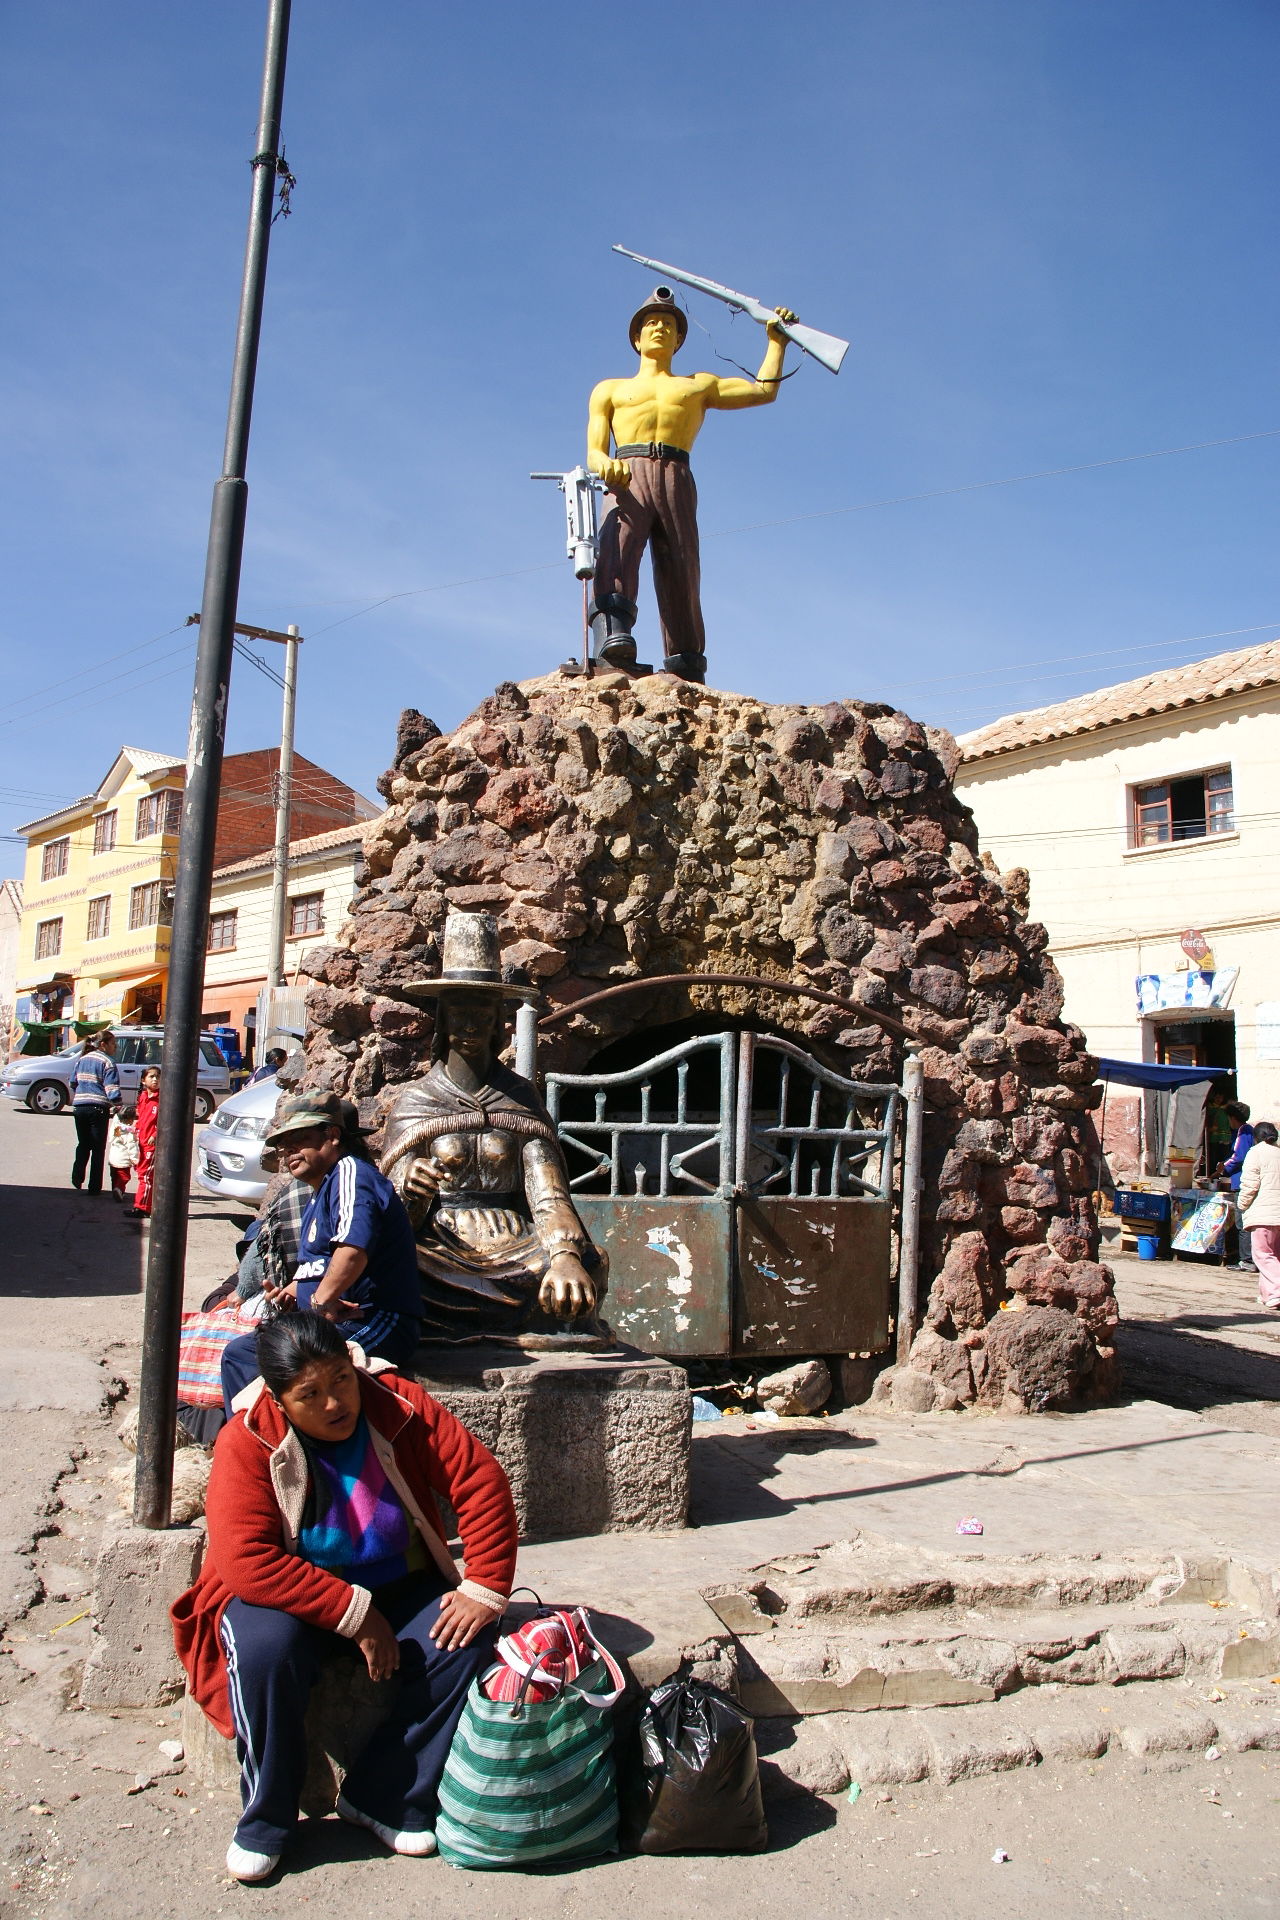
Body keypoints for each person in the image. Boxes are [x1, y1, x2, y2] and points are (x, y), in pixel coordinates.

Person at [172, 1312, 517, 1883]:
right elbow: (246, 1562)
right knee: (265, 1654)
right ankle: (267, 1819)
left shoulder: (397, 1404)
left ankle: (384, 1797)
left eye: (340, 1380)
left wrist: (484, 1587)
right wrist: (358, 1617)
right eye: (311, 1394)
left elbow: (478, 1479)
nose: (335, 1403)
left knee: (465, 1642)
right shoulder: (248, 1439)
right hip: (281, 1595)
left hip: (397, 1582)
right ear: (279, 1400)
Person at [382, 911, 608, 1345]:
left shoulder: (520, 1098)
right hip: (440, 1243)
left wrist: (562, 1254)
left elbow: (548, 1194)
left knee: (589, 1263)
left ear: (497, 1023)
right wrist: (409, 1186)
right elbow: (393, 1212)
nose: (469, 1026)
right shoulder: (416, 1101)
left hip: (517, 1242)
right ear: (443, 1022)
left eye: (481, 1015)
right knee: (393, 1262)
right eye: (459, 1014)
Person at [585, 286, 799, 683]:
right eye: (651, 323)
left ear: (680, 338)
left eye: (668, 324)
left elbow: (764, 391)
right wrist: (604, 464)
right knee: (616, 551)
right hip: (627, 471)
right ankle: (614, 635)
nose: (659, 329)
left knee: (682, 564)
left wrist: (776, 342)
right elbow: (595, 451)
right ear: (636, 337)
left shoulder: (697, 385)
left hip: (676, 471)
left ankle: (686, 659)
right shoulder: (610, 389)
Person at [219, 1093, 423, 1413]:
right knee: (240, 1354)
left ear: (331, 1136)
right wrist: (291, 1292)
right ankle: (255, 1448)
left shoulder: (350, 1174)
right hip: (328, 1322)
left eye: (300, 1140)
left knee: (287, 1368)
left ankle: (299, 1451)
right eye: (284, 1145)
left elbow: (353, 1250)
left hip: (376, 1319)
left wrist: (320, 1301)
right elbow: (319, 1265)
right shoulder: (319, 1192)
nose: (289, 1151)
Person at [68, 1030, 121, 1195]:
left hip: (80, 1107)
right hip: (98, 1108)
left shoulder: (81, 1060)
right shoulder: (108, 1062)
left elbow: (72, 1082)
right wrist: (119, 1106)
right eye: (113, 1044)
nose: (115, 1047)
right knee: (98, 1148)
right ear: (103, 1045)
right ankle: (94, 1187)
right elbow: (112, 1090)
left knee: (83, 1143)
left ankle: (77, 1176)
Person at [1239, 1121, 1280, 1311]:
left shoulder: (1255, 1153)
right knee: (1273, 1256)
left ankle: (1276, 1293)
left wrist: (1242, 1204)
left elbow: (1249, 1184)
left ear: (1256, 1138)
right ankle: (1267, 1295)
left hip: (1264, 1214)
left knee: (1263, 1255)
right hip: (1276, 1215)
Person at [1218, 1101, 1257, 1271]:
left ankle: (1247, 1260)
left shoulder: (1243, 1131)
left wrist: (1223, 1168)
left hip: (1242, 1182)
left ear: (1233, 1118)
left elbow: (1238, 1156)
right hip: (1243, 1181)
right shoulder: (1246, 1131)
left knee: (1242, 1222)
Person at [126, 1065, 161, 1218]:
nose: (155, 1079)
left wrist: (155, 1134)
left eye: (157, 1077)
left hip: (151, 1143)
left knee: (146, 1176)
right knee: (141, 1172)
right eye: (151, 1076)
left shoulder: (160, 1099)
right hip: (141, 1141)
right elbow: (142, 1118)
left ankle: (142, 1207)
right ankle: (144, 1204)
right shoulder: (143, 1097)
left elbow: (163, 1121)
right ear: (143, 1080)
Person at [105, 1105, 139, 1204]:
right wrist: (135, 1159)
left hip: (113, 1158)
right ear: (130, 1120)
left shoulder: (116, 1128)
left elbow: (111, 1138)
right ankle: (119, 1189)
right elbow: (132, 1147)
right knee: (124, 1177)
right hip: (123, 1160)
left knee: (114, 1176)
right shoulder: (129, 1133)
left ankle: (115, 1190)